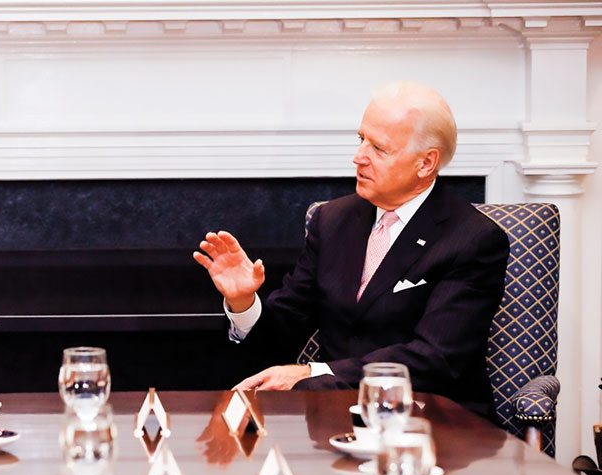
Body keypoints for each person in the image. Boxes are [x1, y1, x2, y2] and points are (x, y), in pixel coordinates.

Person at [194, 82, 509, 417]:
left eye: (378, 148)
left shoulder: (473, 239)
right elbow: (280, 338)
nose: (359, 157)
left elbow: (435, 359)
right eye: (361, 140)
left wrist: (315, 372)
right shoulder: (332, 221)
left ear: (425, 163)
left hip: (435, 420)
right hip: (335, 416)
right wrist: (243, 301)